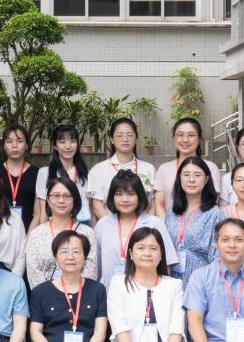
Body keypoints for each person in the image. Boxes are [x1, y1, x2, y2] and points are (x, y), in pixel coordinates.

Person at [94, 170, 178, 286]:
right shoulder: (102, 225)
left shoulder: (155, 223)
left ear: (139, 196)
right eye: (119, 194)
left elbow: (166, 263)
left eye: (131, 194)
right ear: (112, 197)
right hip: (109, 290)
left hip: (145, 290)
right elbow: (97, 266)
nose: (125, 199)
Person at [24, 176, 99, 288]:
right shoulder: (37, 234)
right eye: (56, 195)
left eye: (67, 196)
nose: (61, 200)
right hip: (45, 296)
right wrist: (50, 294)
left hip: (80, 295)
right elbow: (33, 272)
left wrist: (76, 293)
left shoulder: (87, 233)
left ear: (75, 200)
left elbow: (90, 272)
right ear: (48, 200)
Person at [164, 156, 222, 286]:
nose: (191, 179)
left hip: (201, 283)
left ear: (206, 179)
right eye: (186, 175)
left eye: (197, 175)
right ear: (179, 178)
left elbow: (217, 257)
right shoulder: (171, 212)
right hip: (171, 282)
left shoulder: (214, 213)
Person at [87, 118, 157, 222]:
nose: (125, 139)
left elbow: (154, 203)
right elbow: (98, 207)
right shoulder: (98, 170)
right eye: (119, 135)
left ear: (136, 138)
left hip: (143, 229)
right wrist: (114, 227)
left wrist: (144, 225)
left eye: (130, 135)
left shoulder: (149, 169)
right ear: (112, 139)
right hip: (110, 228)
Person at [152, 117, 219, 217]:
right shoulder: (164, 169)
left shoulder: (210, 167)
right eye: (180, 135)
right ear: (174, 138)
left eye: (191, 135)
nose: (185, 139)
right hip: (168, 224)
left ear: (199, 139)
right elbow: (159, 205)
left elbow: (213, 201)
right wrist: (166, 225)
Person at [32, 124, 91, 228]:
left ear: (77, 144)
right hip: (55, 228)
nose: (68, 146)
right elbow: (43, 212)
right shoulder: (45, 173)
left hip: (81, 227)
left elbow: (90, 208)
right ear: (55, 146)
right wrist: (44, 233)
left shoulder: (86, 174)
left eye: (72, 141)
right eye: (62, 142)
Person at [1, 124, 40, 227]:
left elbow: (39, 213)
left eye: (19, 141)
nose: (14, 145)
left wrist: (30, 235)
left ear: (26, 145)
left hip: (28, 228)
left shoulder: (37, 173)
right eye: (9, 141)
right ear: (4, 146)